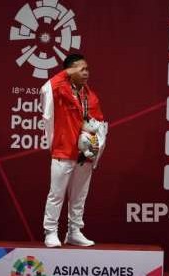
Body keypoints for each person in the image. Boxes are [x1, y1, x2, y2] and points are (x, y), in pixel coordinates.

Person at [40, 53, 107, 247]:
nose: (86, 72)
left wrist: (95, 145)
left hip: (84, 154)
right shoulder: (60, 89)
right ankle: (50, 231)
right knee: (56, 194)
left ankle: (74, 231)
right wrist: (66, 72)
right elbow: (46, 88)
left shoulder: (90, 96)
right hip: (63, 151)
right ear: (70, 71)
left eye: (87, 69)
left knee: (79, 196)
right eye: (82, 69)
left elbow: (100, 122)